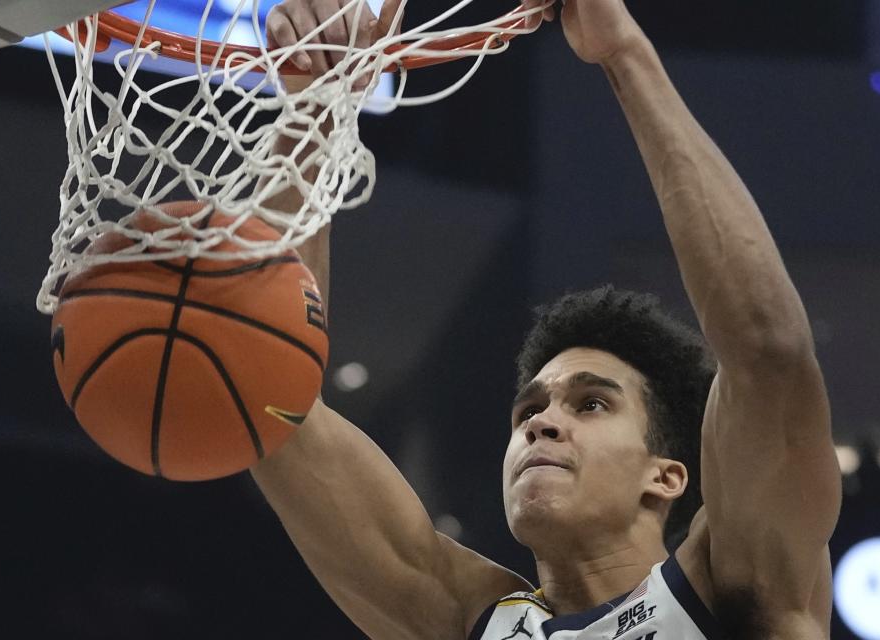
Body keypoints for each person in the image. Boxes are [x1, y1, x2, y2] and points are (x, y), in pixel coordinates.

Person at [252, 0, 843, 638]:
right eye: (528, 412)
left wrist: (622, 54)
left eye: (591, 404)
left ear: (666, 476)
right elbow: (271, 402)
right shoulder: (468, 618)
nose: (542, 424)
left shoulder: (739, 588)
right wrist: (313, 108)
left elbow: (768, 353)